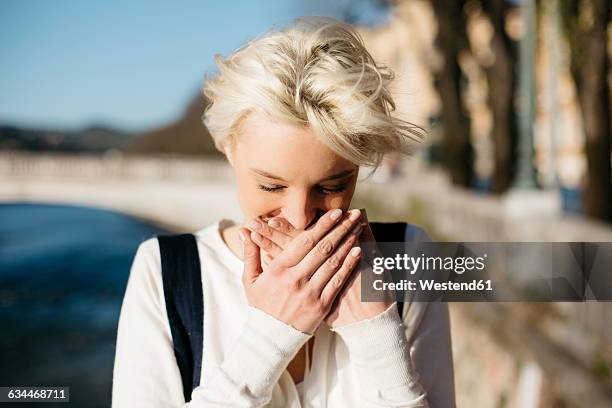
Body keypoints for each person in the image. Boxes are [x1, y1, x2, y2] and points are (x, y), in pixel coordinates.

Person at [112, 16, 455, 407]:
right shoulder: (165, 272)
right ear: (228, 148)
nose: (299, 217)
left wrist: (379, 341)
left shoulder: (410, 258)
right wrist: (269, 337)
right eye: (271, 185)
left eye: (332, 187)